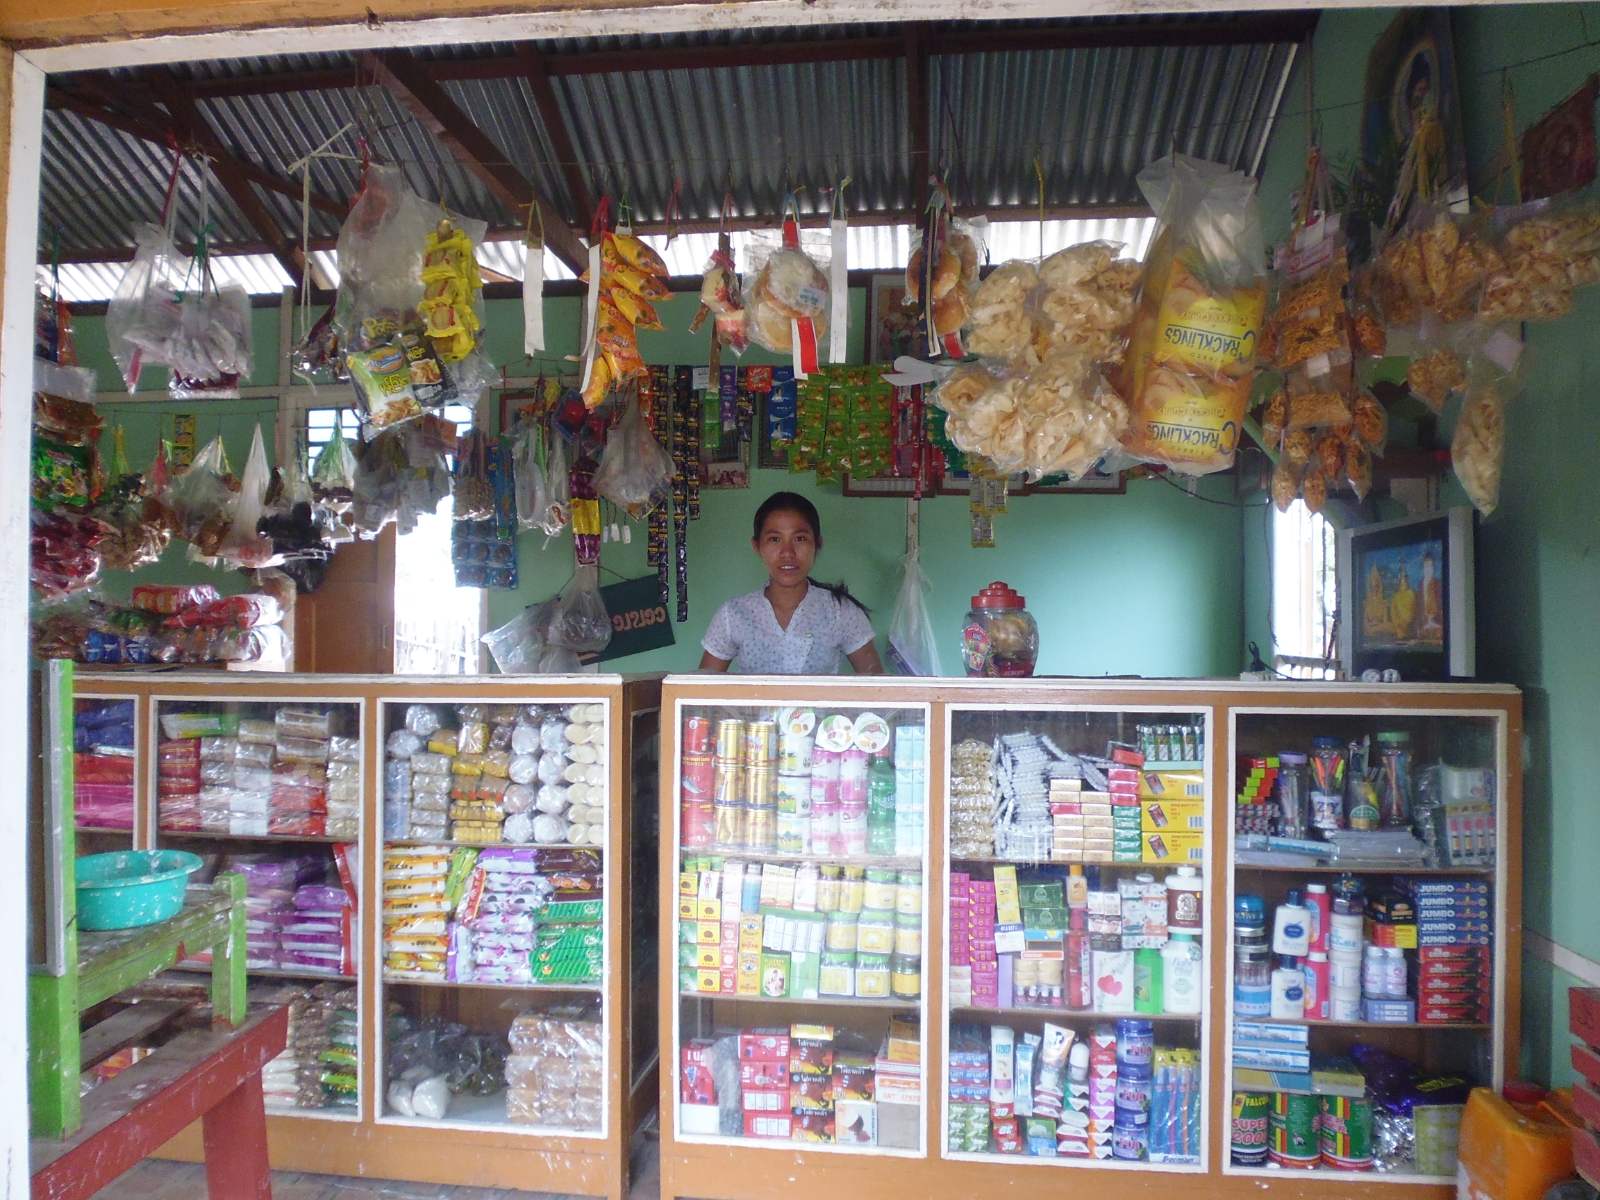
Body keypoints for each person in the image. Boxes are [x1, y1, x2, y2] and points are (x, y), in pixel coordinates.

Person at [699, 492, 884, 675]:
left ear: (817, 544)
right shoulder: (733, 614)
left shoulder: (840, 611)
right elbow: (702, 687)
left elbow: (877, 685)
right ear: (757, 546)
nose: (787, 552)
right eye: (775, 539)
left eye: (800, 539)